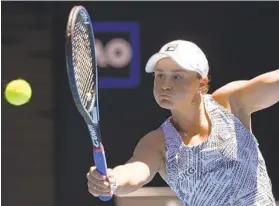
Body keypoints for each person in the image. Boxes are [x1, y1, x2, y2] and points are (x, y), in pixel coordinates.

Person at [86, 40, 279, 205]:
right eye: (160, 75)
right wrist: (113, 179)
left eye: (177, 76)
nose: (165, 85)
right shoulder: (157, 143)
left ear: (201, 83)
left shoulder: (231, 102)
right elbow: (135, 170)